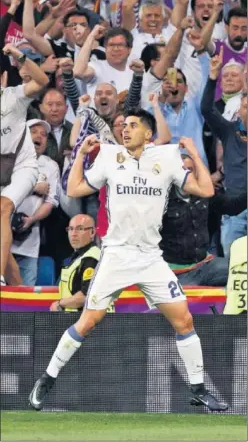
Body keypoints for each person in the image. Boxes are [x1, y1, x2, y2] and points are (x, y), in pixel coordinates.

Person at [29, 109, 227, 413]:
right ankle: (47, 378)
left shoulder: (167, 157)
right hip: (116, 255)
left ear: (148, 134)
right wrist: (81, 154)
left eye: (133, 126)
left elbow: (206, 189)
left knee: (184, 320)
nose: (125, 129)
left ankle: (199, 390)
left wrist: (196, 155)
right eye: (124, 126)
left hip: (151, 257)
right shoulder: (109, 157)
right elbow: (74, 189)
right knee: (87, 322)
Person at [0, 43, 49, 286]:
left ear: (3, 77)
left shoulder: (14, 96)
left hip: (22, 166)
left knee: (3, 208)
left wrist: (20, 56)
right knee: (3, 245)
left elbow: (41, 80)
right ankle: (18, 295)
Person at [160, 141, 228, 287]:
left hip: (206, 265)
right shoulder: (161, 198)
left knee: (240, 271)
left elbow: (232, 206)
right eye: (183, 170)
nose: (187, 175)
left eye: (190, 170)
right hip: (176, 273)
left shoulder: (205, 194)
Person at [200, 48, 247, 260]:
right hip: (234, 212)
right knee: (233, 267)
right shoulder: (229, 131)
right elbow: (207, 109)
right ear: (239, 110)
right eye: (245, 106)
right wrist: (212, 78)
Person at [11, 118, 60, 286]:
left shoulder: (50, 166)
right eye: (33, 132)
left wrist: (31, 220)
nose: (39, 136)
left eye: (44, 134)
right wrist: (33, 187)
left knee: (24, 299)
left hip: (29, 242)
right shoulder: (7, 159)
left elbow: (51, 201)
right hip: (4, 240)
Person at [50, 213, 100, 312]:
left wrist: (60, 303)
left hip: (89, 323)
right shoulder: (77, 257)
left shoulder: (91, 258)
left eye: (80, 229)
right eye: (71, 229)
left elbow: (87, 296)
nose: (73, 234)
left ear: (92, 232)